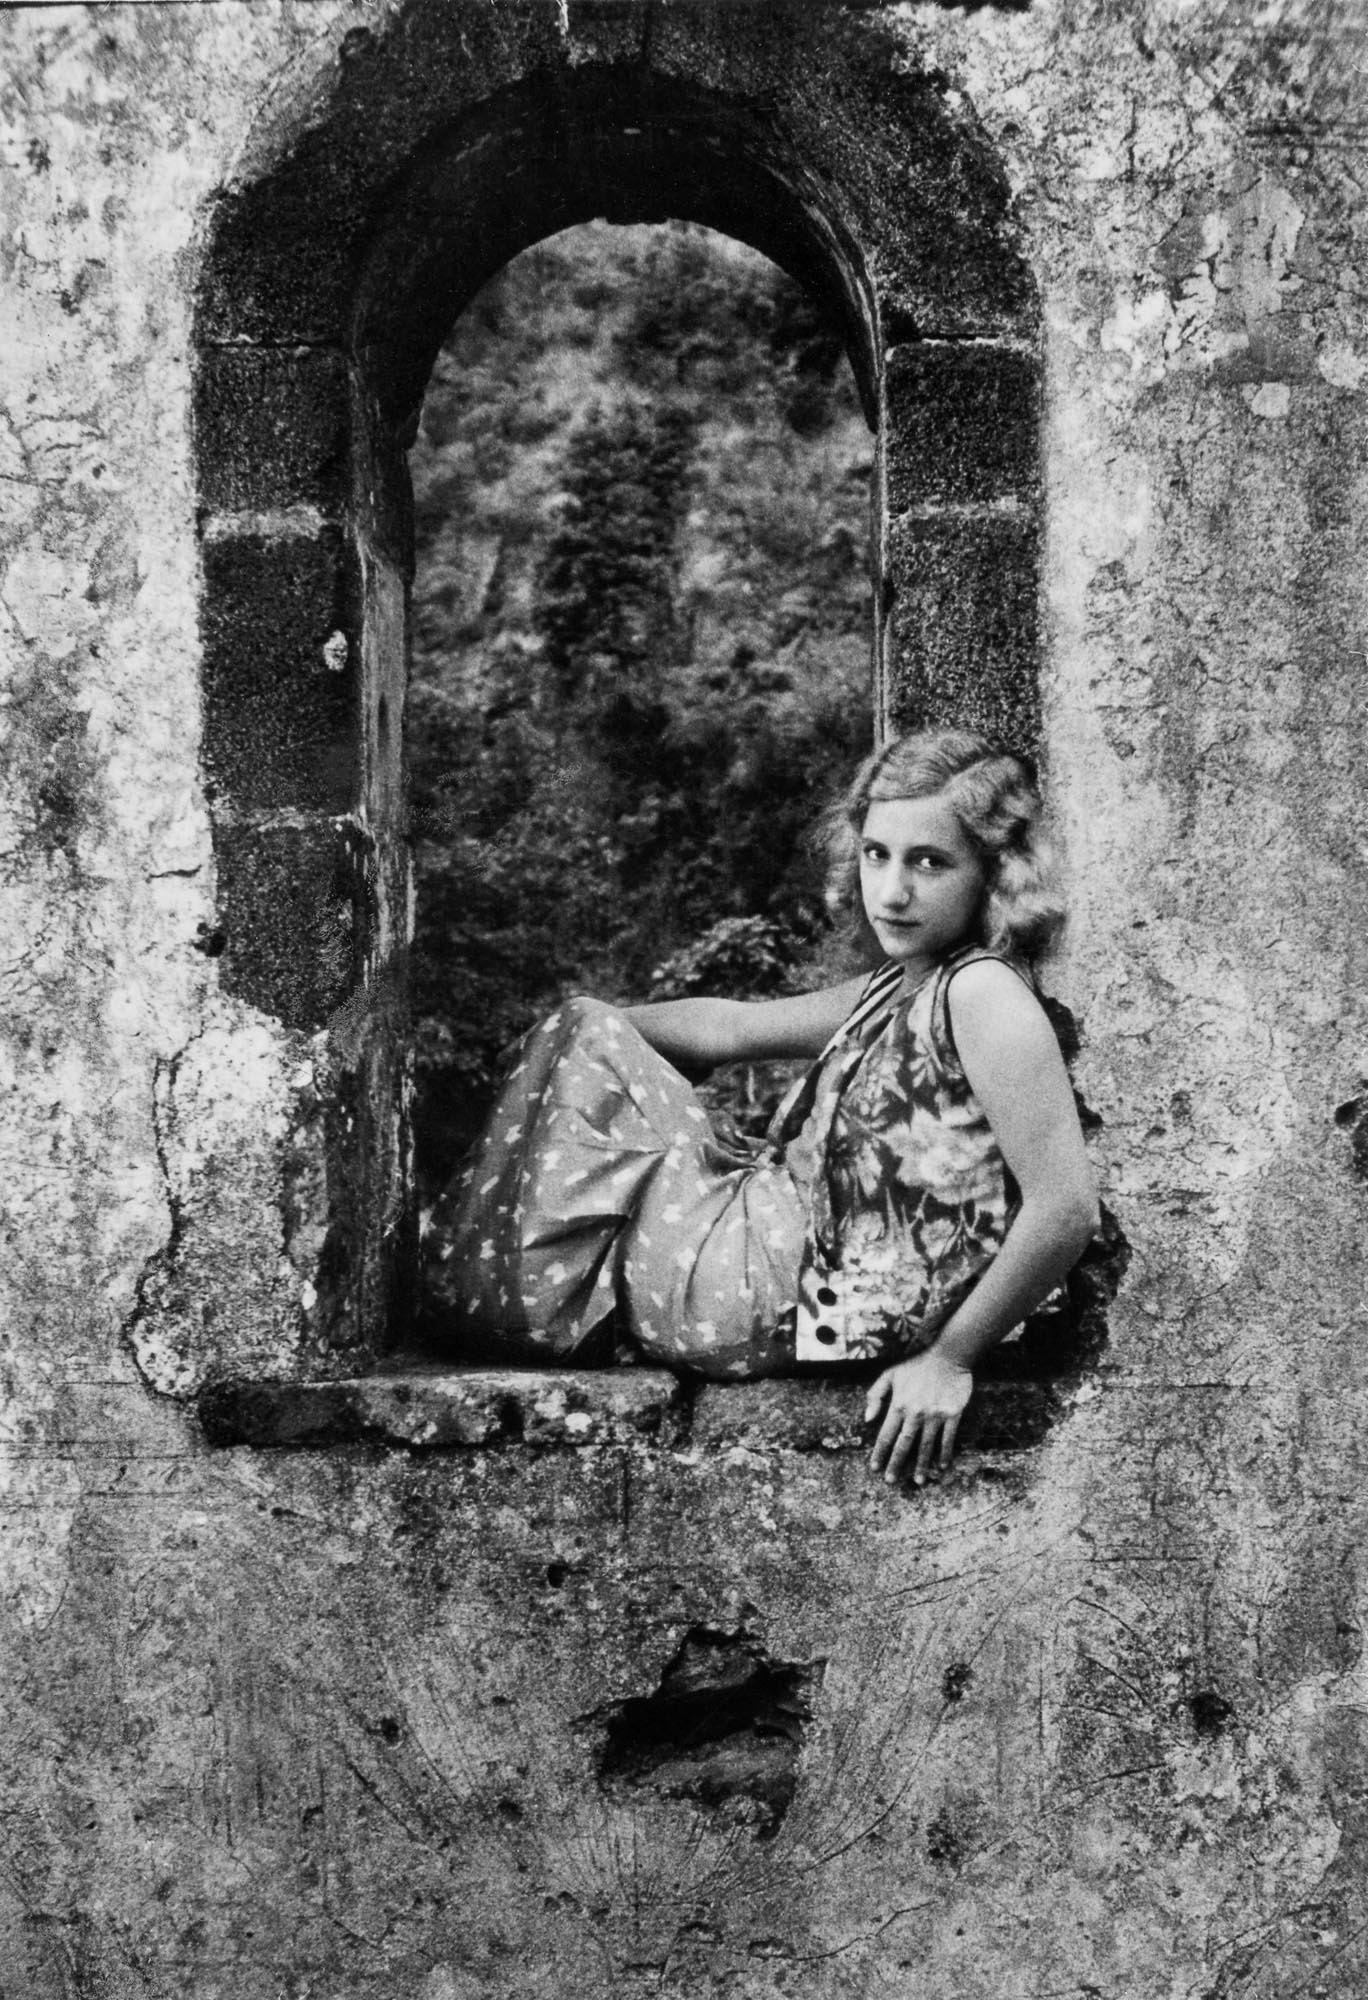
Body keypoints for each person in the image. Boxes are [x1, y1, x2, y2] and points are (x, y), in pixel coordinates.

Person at [423, 729, 1099, 1487]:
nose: (893, 891)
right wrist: (583, 1030)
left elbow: (1065, 1208)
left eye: (930, 862)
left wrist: (949, 1359)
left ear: (994, 874)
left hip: (767, 1295)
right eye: (877, 855)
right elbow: (733, 1027)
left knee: (585, 1071)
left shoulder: (982, 995)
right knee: (585, 1028)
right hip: (773, 1277)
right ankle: (488, 1289)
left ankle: (472, 1294)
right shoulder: (905, 983)